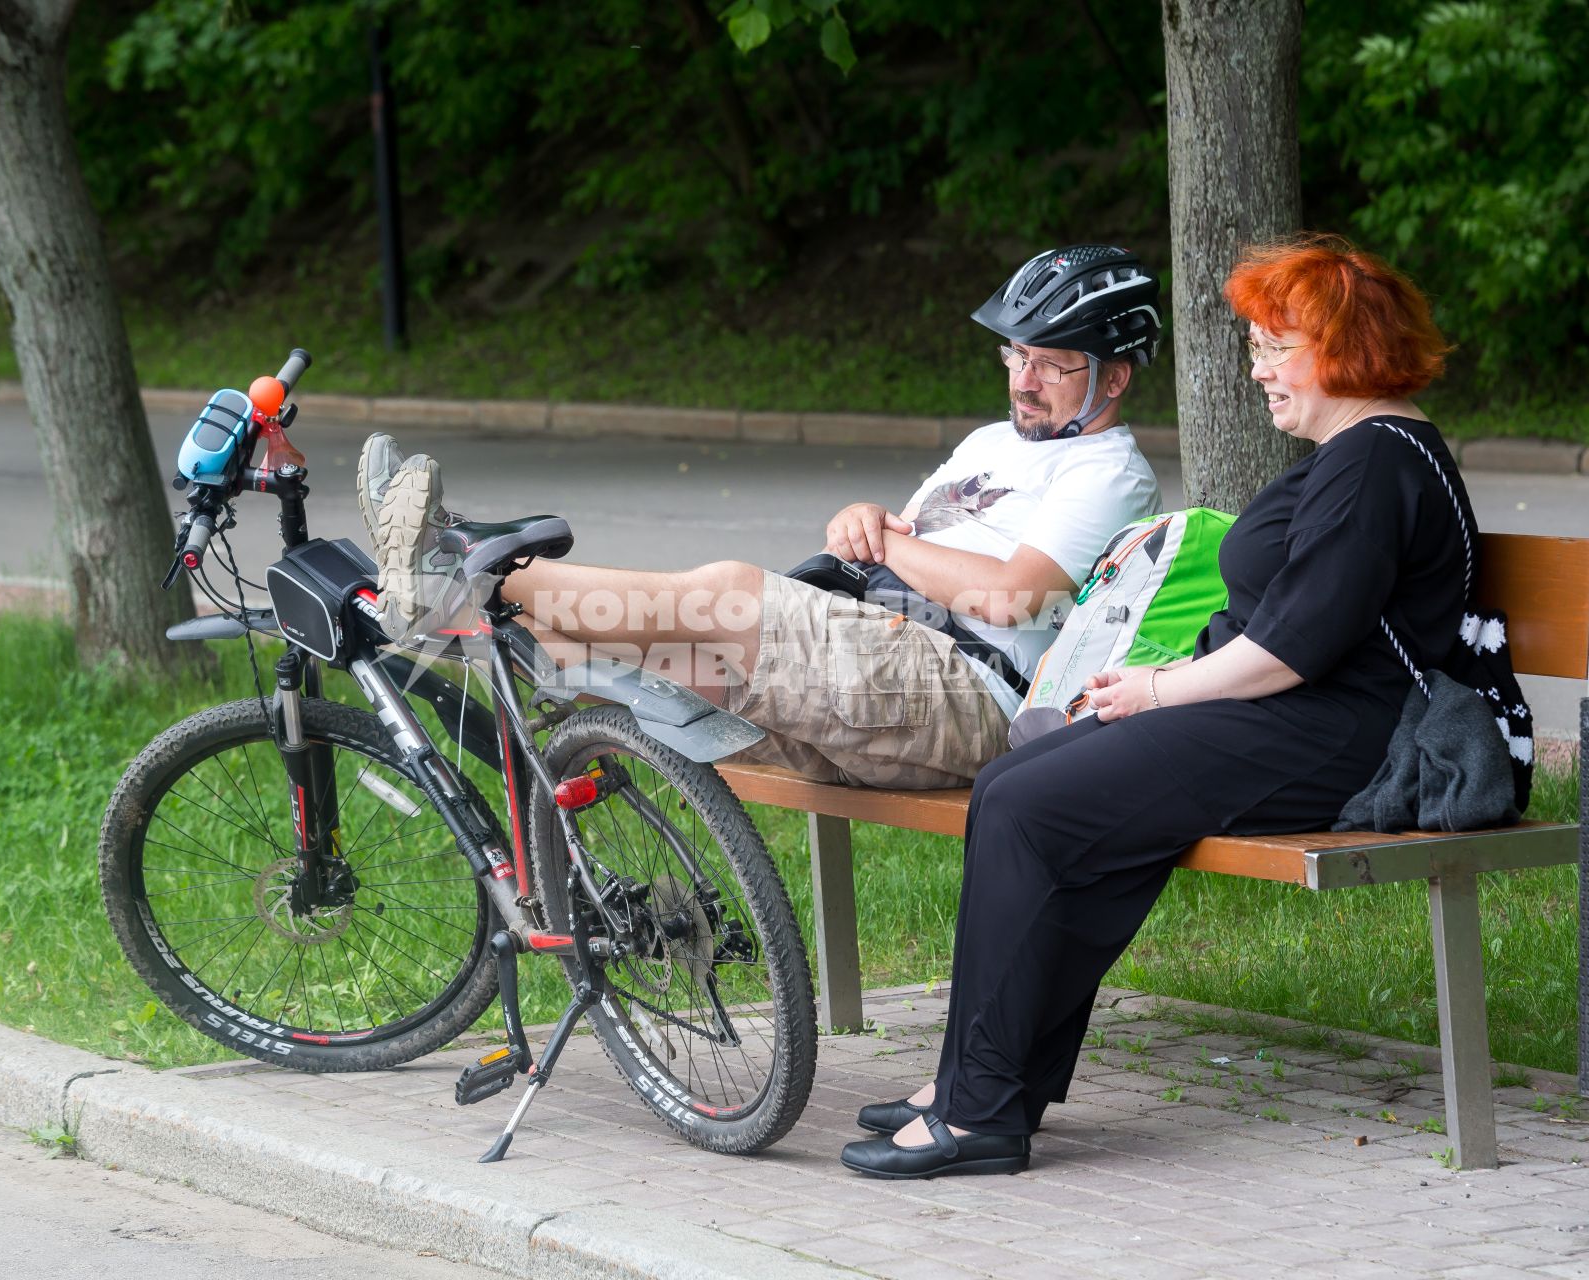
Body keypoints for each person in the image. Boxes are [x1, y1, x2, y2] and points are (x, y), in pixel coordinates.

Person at [839, 233, 1472, 1178]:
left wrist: (1154, 690)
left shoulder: (1377, 461)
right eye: (1254, 348)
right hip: (1292, 718)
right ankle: (983, 1078)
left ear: (1348, 347)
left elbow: (1289, 652)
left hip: (1337, 734)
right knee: (1018, 781)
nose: (1257, 370)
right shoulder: (1360, 454)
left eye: (1274, 348)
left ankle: (980, 1113)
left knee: (1029, 805)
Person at [359, 246, 1164, 789]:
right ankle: (466, 601)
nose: (1024, 378)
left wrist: (884, 538)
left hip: (970, 693)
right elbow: (903, 548)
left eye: (1052, 363)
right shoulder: (993, 441)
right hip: (876, 667)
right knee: (624, 647)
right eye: (1015, 355)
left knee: (729, 594)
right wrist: (865, 521)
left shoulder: (1109, 473)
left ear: (1116, 378)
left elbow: (1010, 598)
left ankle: (460, 575)